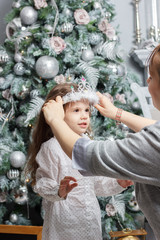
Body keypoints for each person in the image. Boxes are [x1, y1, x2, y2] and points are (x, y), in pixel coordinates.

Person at [42, 44, 160, 240]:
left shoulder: (83, 141)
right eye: (75, 110)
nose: (147, 80)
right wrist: (116, 113)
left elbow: (88, 160)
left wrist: (54, 120)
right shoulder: (50, 148)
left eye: (152, 76)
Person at [26, 82, 132, 240]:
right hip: (63, 225)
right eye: (76, 110)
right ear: (58, 114)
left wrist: (118, 182)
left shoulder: (87, 144)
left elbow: (96, 184)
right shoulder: (51, 148)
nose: (84, 116)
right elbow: (41, 184)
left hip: (90, 221)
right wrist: (59, 189)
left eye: (87, 110)